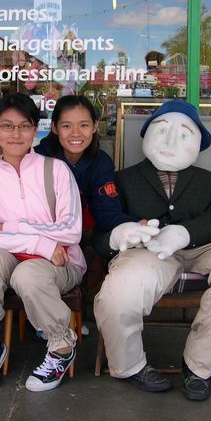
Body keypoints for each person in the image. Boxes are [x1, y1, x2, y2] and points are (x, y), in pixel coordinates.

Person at [93, 99, 211, 401]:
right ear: (146, 135)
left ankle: (199, 364)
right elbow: (100, 232)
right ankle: (129, 365)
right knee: (120, 290)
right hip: (148, 252)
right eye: (161, 130)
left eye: (184, 134)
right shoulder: (122, 180)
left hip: (204, 247)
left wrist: (185, 233)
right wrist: (120, 234)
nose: (171, 141)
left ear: (198, 144)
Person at [0, 93, 85, 394]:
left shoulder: (56, 170)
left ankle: (61, 347)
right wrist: (40, 243)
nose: (15, 134)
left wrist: (9, 226)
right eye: (7, 126)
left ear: (36, 129)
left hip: (62, 262)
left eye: (24, 126)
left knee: (27, 273)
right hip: (21, 256)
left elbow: (71, 231)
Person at [34, 95, 152, 299]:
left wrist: (133, 224)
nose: (76, 133)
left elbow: (106, 211)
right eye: (67, 126)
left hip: (78, 235)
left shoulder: (100, 163)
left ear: (95, 126)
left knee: (99, 248)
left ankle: (88, 303)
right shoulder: (38, 157)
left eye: (84, 125)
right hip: (39, 236)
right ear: (54, 128)